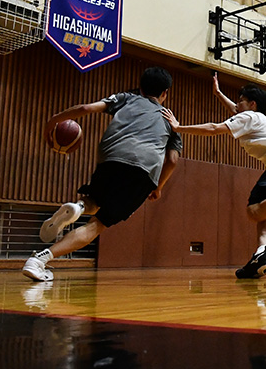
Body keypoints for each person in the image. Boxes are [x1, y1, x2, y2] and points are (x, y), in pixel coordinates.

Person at [162, 75, 266, 279]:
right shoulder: (253, 118)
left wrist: (179, 128)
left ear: (252, 104)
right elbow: (235, 110)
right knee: (264, 218)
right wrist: (218, 94)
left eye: (240, 99)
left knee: (253, 211)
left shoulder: (250, 117)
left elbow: (214, 128)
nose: (237, 103)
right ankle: (262, 256)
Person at [22, 67, 182, 281]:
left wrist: (53, 120)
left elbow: (87, 107)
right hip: (143, 171)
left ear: (141, 87)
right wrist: (158, 187)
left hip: (111, 159)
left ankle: (78, 207)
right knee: (97, 224)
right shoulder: (172, 122)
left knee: (94, 202)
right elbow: (171, 160)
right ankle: (39, 260)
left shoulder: (127, 98)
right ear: (165, 93)